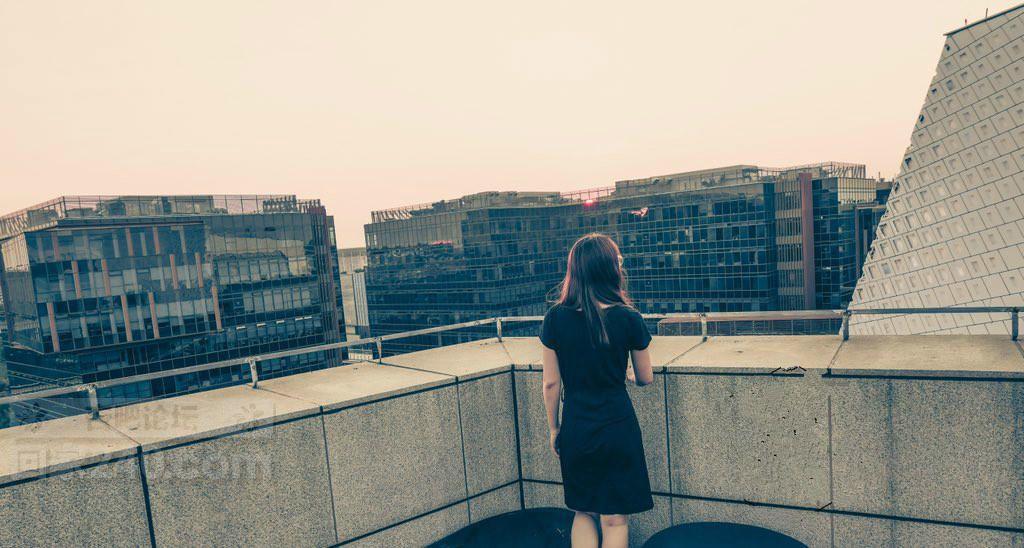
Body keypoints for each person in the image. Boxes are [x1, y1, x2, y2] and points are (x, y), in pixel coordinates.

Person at [539, 233, 655, 548]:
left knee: (584, 511)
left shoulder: (555, 318)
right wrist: (626, 375)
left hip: (577, 427)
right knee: (614, 520)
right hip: (617, 427)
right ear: (611, 269)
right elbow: (645, 377)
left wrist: (554, 429)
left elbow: (551, 384)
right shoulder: (628, 317)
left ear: (574, 271)